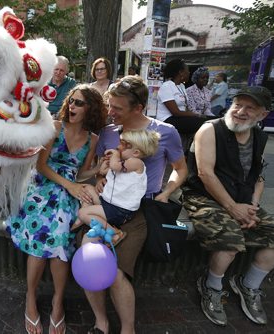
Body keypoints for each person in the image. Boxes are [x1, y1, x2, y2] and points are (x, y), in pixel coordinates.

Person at [83, 76, 187, 334]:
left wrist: (168, 191)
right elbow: (102, 168)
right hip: (107, 205)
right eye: (110, 105)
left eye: (117, 108)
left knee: (117, 271)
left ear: (138, 108)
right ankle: (101, 322)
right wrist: (98, 178)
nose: (110, 112)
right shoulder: (108, 133)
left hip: (139, 211)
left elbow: (181, 169)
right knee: (91, 260)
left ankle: (127, 329)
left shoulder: (164, 132)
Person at [182, 86, 274, 326]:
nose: (241, 111)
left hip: (242, 200)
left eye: (250, 107)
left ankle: (248, 285)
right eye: (237, 104)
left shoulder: (258, 137)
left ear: (263, 115)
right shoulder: (210, 130)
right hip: (204, 197)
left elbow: (259, 178)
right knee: (231, 241)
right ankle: (211, 286)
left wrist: (252, 207)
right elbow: (205, 174)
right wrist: (233, 208)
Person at [6, 84, 106, 334]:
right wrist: (70, 186)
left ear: (90, 108)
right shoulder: (55, 127)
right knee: (52, 238)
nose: (72, 106)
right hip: (43, 186)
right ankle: (31, 299)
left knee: (58, 238)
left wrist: (97, 170)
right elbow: (41, 166)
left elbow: (81, 171)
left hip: (69, 190)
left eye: (79, 103)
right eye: (71, 101)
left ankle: (57, 302)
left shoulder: (93, 139)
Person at [73, 129, 160, 246]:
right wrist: (104, 164)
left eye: (123, 146)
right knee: (86, 187)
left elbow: (115, 166)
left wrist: (114, 155)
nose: (118, 147)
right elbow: (104, 171)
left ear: (136, 153)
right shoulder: (122, 162)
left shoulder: (136, 163)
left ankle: (115, 234)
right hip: (108, 202)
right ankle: (88, 218)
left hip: (119, 210)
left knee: (83, 213)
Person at [156, 59, 208, 136]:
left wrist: (196, 115)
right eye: (187, 70)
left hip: (180, 118)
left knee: (208, 120)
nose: (189, 72)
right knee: (203, 124)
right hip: (168, 120)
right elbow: (176, 112)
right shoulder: (167, 86)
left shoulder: (182, 86)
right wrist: (195, 115)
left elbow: (185, 107)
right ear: (180, 72)